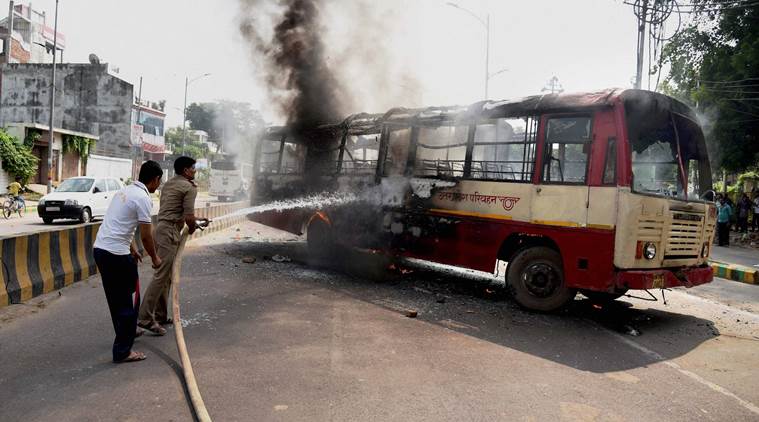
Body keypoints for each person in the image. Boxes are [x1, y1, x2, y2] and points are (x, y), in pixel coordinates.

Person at [93, 161, 162, 363]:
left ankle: (128, 331)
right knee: (128, 303)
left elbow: (121, 222)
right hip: (116, 255)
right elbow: (147, 236)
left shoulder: (125, 192)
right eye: (159, 182)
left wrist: (132, 248)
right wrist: (156, 258)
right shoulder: (143, 198)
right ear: (155, 179)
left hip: (102, 250)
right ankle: (123, 351)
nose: (158, 186)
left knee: (116, 299)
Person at [138, 156, 198, 335]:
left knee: (166, 277)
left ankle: (161, 315)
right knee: (161, 275)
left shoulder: (169, 184)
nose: (195, 171)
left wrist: (197, 221)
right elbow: (188, 217)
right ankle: (144, 317)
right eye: (193, 168)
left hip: (161, 229)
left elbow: (174, 210)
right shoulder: (189, 187)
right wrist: (193, 227)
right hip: (169, 233)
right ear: (186, 171)